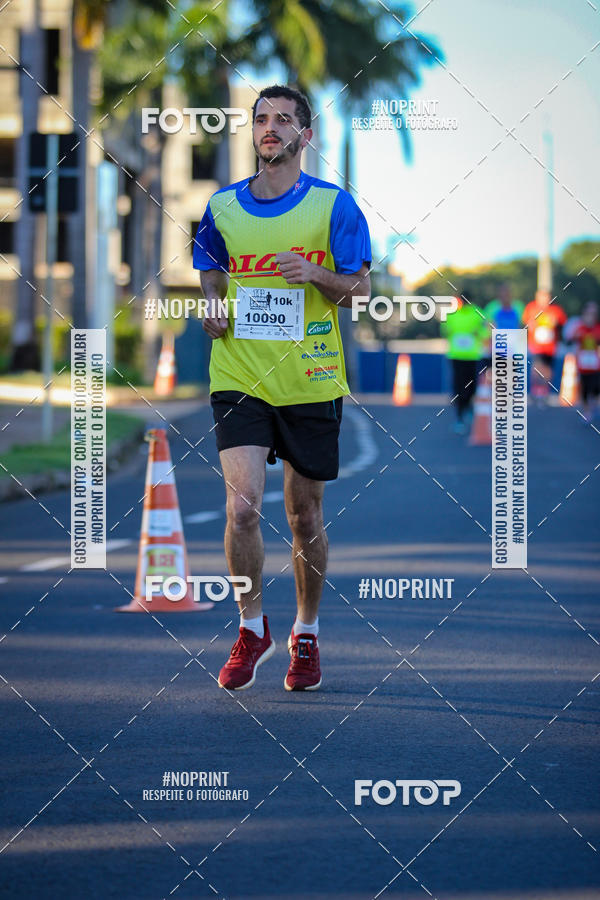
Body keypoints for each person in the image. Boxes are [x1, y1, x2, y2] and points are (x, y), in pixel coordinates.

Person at [192, 85, 371, 692]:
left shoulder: (333, 207)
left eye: (283, 120)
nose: (270, 128)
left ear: (305, 135)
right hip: (239, 373)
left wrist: (316, 273)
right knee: (241, 508)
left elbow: (360, 290)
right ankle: (250, 627)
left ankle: (306, 632)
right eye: (261, 119)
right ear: (251, 132)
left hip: (311, 377)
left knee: (304, 514)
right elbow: (209, 275)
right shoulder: (220, 208)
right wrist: (213, 308)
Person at [441, 291, 487, 433]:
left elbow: (486, 331)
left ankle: (467, 409)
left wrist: (478, 334)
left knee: (471, 385)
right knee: (459, 386)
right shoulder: (453, 314)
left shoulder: (478, 313)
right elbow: (446, 331)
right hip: (457, 356)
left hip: (472, 356)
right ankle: (460, 416)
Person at [522, 289, 567, 400]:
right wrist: (531, 324)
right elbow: (525, 322)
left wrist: (555, 322)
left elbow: (563, 323)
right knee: (536, 368)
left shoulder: (556, 310)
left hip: (550, 347)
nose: (544, 300)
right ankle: (535, 391)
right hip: (536, 346)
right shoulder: (531, 307)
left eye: (546, 297)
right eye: (542, 297)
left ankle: (544, 391)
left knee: (548, 370)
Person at [482, 282, 524, 366]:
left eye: (507, 293)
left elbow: (522, 326)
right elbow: (488, 327)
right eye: (502, 293)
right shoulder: (492, 307)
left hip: (513, 348)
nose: (505, 296)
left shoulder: (518, 306)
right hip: (498, 346)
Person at [571, 302, 600, 420]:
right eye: (588, 315)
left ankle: (592, 403)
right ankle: (586, 410)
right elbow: (571, 339)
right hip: (583, 364)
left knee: (596, 387)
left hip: (595, 364)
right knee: (585, 388)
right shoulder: (579, 329)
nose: (590, 318)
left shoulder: (598, 329)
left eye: (593, 315)